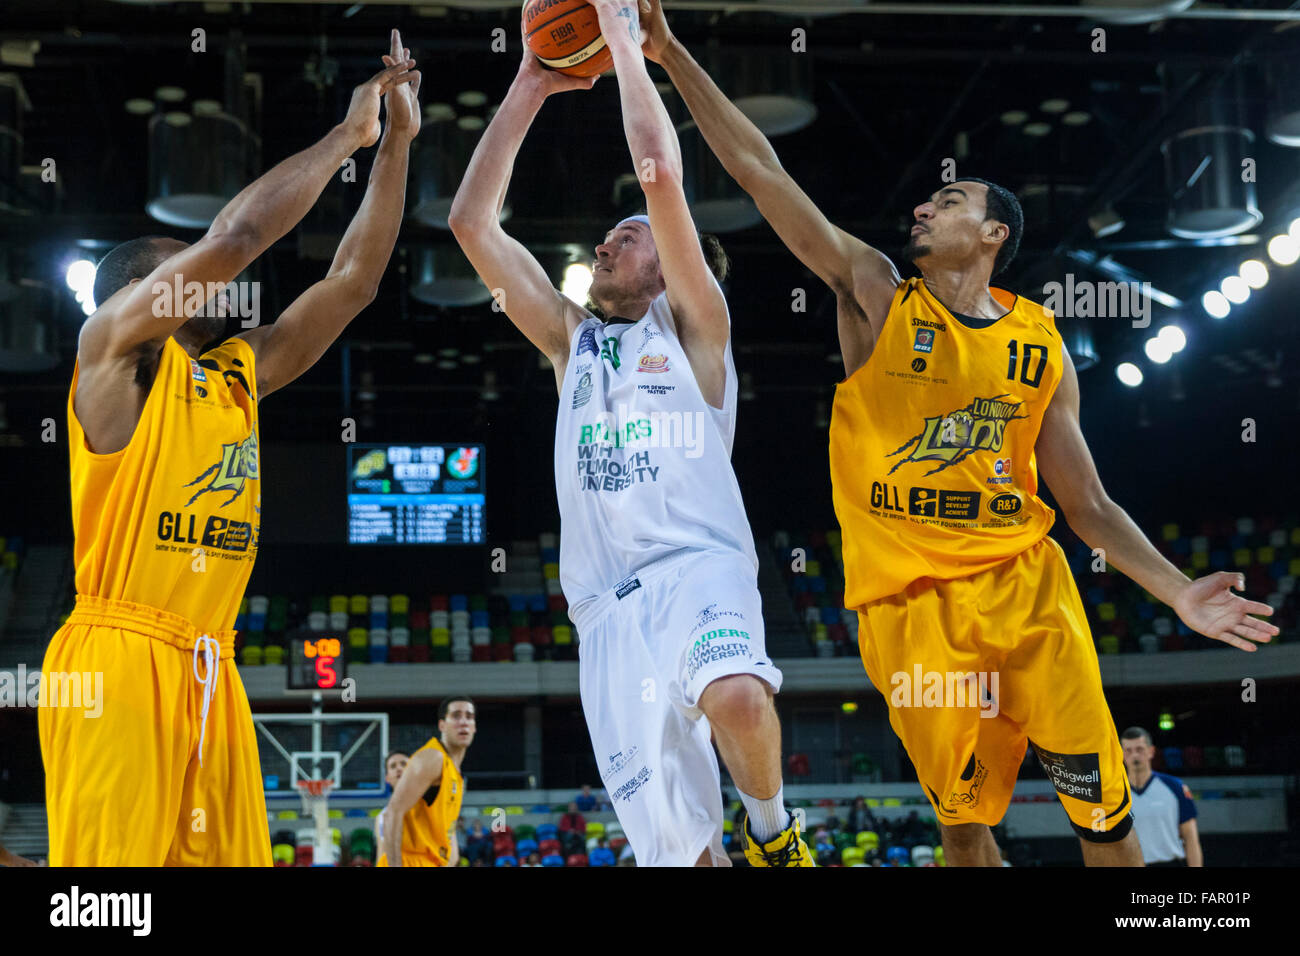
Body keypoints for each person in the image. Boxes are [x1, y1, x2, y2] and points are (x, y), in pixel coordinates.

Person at [638, 0, 1278, 867]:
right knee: (964, 827)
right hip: (914, 614)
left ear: (992, 233)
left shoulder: (1040, 340)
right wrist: (671, 52)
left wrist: (1173, 592)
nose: (925, 208)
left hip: (1030, 592)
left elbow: (1085, 501)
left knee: (1106, 820)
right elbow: (760, 171)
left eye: (949, 200)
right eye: (929, 198)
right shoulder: (874, 291)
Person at [37, 32, 420, 867]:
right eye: (187, 266)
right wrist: (348, 135)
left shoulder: (235, 376)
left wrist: (396, 145)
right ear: (140, 291)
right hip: (118, 659)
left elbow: (351, 284)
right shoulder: (112, 352)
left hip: (213, 669)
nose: (213, 279)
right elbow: (240, 236)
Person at [447, 1, 808, 867]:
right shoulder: (571, 341)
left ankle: (773, 831)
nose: (609, 239)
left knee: (740, 698)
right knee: (683, 858)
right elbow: (470, 223)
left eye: (630, 235)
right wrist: (531, 82)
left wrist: (620, 42)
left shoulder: (694, 328)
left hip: (696, 564)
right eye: (610, 234)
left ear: (674, 266)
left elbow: (658, 172)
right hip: (606, 615)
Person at [379, 696, 476, 867]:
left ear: (474, 727)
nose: (463, 722)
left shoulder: (456, 774)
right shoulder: (433, 757)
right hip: (409, 861)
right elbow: (392, 813)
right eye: (456, 716)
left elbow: (446, 833)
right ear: (442, 725)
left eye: (469, 716)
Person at [1123, 727, 1203, 866]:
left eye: (1140, 749)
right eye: (1128, 751)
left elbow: (1191, 839)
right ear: (1121, 754)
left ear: (1151, 751)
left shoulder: (1175, 787)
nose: (1134, 755)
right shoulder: (1115, 793)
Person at [375, 750, 411, 848]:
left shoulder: (429, 807)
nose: (399, 768)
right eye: (393, 766)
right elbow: (382, 854)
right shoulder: (382, 817)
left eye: (404, 764)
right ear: (387, 778)